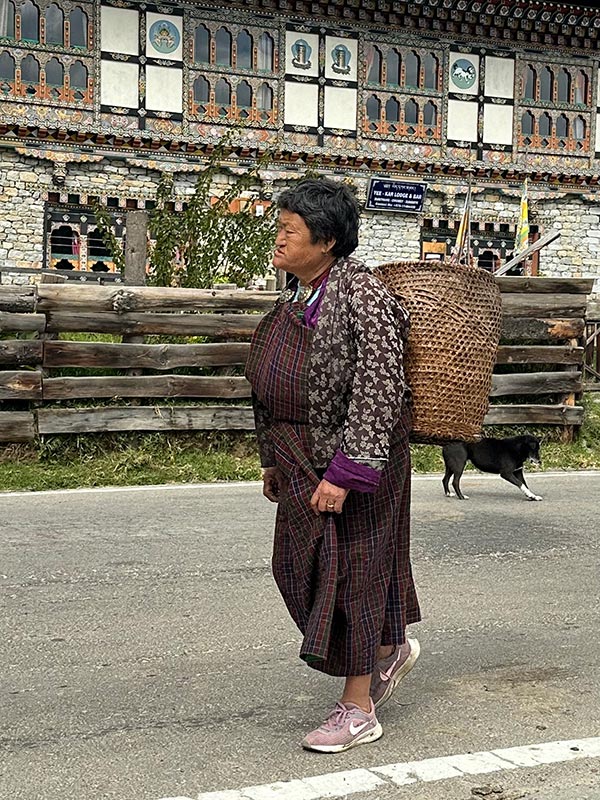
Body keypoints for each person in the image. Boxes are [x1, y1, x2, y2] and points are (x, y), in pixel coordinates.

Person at [245, 177, 421, 753]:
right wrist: (272, 457)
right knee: (297, 570)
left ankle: (358, 707)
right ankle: (387, 649)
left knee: (354, 578)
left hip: (353, 466)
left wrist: (345, 474)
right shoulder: (296, 297)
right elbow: (270, 384)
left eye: (287, 231)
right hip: (299, 461)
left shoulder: (365, 297)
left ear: (324, 240)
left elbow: (379, 389)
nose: (277, 240)